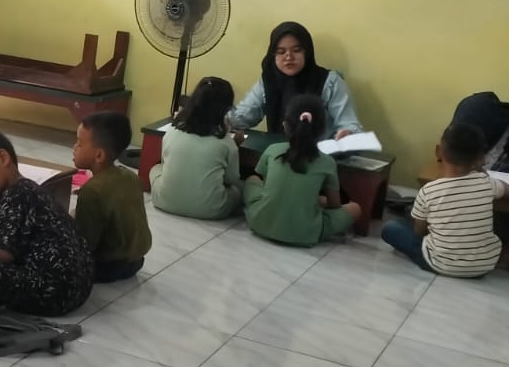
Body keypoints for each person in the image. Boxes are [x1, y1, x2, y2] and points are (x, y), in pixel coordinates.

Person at [0, 130, 93, 316]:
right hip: (81, 287)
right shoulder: (31, 188)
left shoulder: (13, 195)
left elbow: (2, 256)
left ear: (3, 158)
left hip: (52, 293)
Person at [383, 123, 509, 278]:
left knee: (392, 228)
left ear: (438, 151)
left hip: (441, 264)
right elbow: (508, 189)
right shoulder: (486, 182)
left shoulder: (429, 190)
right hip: (483, 266)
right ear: (480, 159)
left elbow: (419, 232)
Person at [243, 96, 362, 247]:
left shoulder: (272, 150)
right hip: (305, 234)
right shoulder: (327, 162)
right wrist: (320, 201)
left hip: (259, 223)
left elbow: (269, 188)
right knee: (355, 208)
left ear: (285, 125)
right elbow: (334, 205)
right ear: (322, 130)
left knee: (252, 180)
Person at [229, 21, 363, 141]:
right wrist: (220, 118)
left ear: (307, 52)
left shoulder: (330, 82)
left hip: (321, 156)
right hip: (278, 154)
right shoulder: (269, 82)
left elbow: (349, 124)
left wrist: (347, 134)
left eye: (296, 50)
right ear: (273, 55)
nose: (289, 57)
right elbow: (242, 117)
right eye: (281, 52)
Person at [149, 76, 244, 220]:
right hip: (211, 210)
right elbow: (231, 179)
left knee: (156, 169)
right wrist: (235, 143)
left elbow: (164, 162)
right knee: (238, 190)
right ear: (225, 110)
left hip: (163, 202)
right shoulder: (226, 142)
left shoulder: (172, 131)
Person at [72, 112, 151, 283]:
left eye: (79, 143)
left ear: (99, 155)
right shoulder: (130, 176)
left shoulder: (92, 191)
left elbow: (84, 244)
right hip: (137, 260)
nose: (74, 147)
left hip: (107, 266)